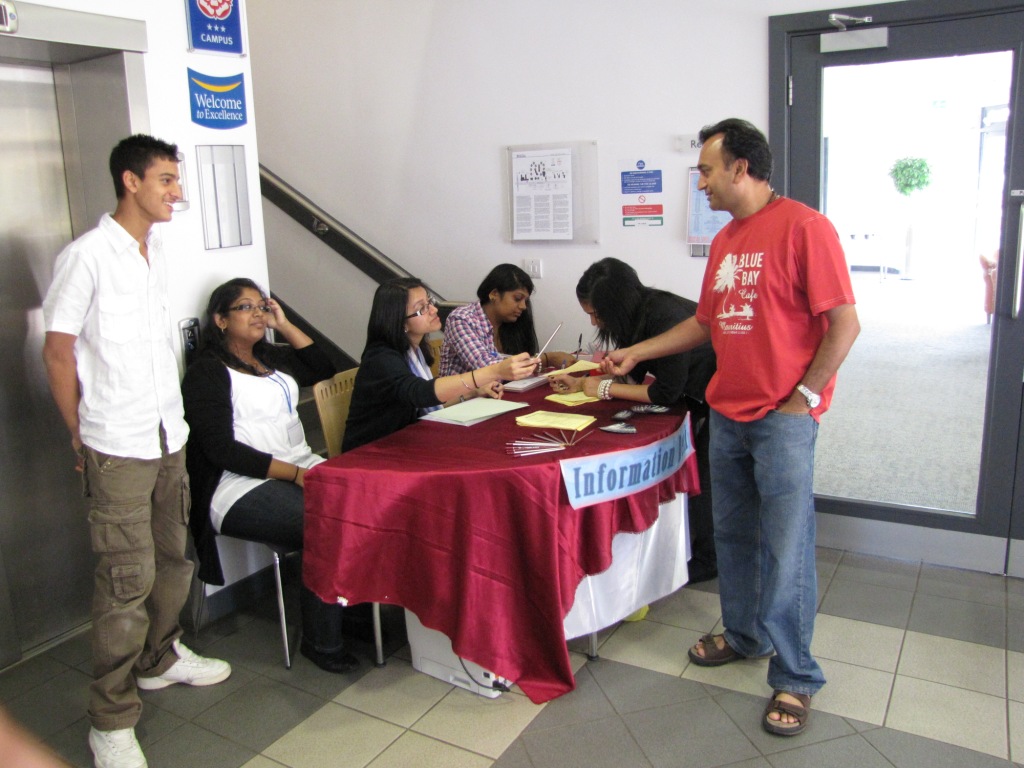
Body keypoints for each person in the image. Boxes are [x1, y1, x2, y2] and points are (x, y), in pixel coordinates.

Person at [604, 118, 860, 737]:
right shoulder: (726, 241)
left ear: (741, 168)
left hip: (781, 420)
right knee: (736, 537)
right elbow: (706, 324)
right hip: (728, 415)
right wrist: (638, 350)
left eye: (708, 170)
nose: (701, 181)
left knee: (787, 546)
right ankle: (745, 637)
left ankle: (796, 677)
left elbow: (844, 323)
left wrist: (803, 397)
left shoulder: (805, 227)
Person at [42, 134, 231, 768]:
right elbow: (59, 350)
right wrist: (78, 432)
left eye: (177, 180)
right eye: (167, 181)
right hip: (116, 444)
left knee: (175, 559)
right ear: (130, 181)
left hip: (166, 436)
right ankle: (110, 718)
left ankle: (160, 657)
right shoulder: (88, 256)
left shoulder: (156, 254)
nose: (178, 192)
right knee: (125, 583)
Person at [181, 278, 360, 674]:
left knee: (361, 505)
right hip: (238, 485)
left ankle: (349, 610)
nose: (257, 314)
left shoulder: (270, 358)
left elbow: (322, 368)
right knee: (325, 524)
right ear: (220, 319)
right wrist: (294, 474)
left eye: (261, 306)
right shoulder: (207, 372)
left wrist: (283, 323)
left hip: (298, 465)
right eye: (246, 308)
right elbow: (221, 450)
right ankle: (322, 640)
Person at [549, 257, 718, 582]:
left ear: (615, 304)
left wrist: (603, 389)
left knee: (706, 477)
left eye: (597, 314)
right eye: (590, 315)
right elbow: (634, 374)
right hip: (693, 396)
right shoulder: (635, 316)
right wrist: (585, 381)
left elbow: (664, 393)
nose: (596, 323)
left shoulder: (664, 316)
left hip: (711, 396)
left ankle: (709, 559)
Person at [344, 277, 536, 452]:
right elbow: (420, 393)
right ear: (400, 322)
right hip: (371, 453)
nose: (434, 310)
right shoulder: (381, 358)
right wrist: (493, 371)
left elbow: (427, 403)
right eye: (422, 308)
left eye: (430, 302)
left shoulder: (414, 350)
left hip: (403, 441)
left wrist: (472, 392)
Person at [439, 263, 574, 376]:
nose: (523, 306)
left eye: (525, 301)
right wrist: (546, 359)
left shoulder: (510, 323)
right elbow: (488, 368)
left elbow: (520, 371)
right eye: (517, 299)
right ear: (494, 294)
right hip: (462, 402)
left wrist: (538, 363)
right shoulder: (462, 319)